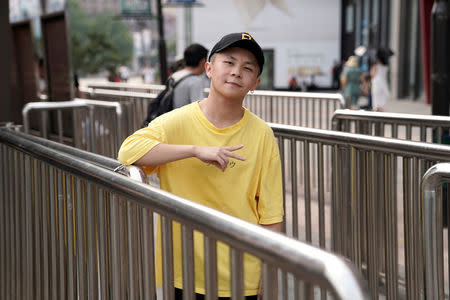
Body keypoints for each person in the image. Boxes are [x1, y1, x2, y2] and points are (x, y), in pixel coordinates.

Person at [118, 32, 284, 299]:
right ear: (208, 68)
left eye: (247, 68)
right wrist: (194, 150)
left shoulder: (262, 134)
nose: (236, 72)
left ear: (256, 82)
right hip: (186, 271)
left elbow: (271, 213)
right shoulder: (175, 122)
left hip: (243, 274)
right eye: (228, 62)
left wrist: (270, 277)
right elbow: (128, 151)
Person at [172, 43, 210, 108]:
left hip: (171, 116)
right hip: (184, 117)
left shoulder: (174, 76)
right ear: (203, 62)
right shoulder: (195, 81)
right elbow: (198, 108)